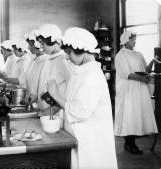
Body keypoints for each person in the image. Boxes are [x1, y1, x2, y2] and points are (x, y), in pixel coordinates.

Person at [46, 27, 118, 169]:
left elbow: (79, 111)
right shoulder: (80, 72)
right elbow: (70, 102)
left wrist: (55, 95)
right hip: (78, 137)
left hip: (91, 141)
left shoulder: (92, 76)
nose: (66, 57)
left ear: (82, 51)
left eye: (69, 53)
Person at [114, 31, 158, 155]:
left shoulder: (139, 54)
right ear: (125, 40)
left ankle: (131, 143)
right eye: (132, 39)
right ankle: (129, 144)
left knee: (137, 115)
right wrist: (144, 79)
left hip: (139, 89)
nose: (135, 41)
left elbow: (145, 70)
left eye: (135, 39)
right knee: (129, 115)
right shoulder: (120, 55)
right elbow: (127, 74)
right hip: (128, 89)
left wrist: (152, 62)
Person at [0, 30, 47, 102]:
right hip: (30, 98)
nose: (28, 47)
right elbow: (23, 78)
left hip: (38, 100)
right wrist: (7, 79)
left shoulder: (44, 61)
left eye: (30, 45)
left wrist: (7, 80)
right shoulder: (33, 60)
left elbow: (42, 86)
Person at [36, 24, 71, 121]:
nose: (41, 47)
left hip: (58, 113)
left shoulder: (64, 60)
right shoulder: (49, 59)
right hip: (46, 112)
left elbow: (71, 92)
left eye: (43, 43)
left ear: (52, 41)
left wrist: (54, 108)